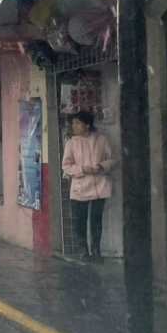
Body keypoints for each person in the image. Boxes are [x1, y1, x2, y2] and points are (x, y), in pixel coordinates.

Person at [61, 111, 117, 263]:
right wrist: (82, 169)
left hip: (100, 185)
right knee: (80, 221)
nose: (74, 126)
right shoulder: (71, 143)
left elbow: (112, 159)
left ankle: (96, 251)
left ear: (87, 125)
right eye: (73, 123)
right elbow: (66, 166)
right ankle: (83, 251)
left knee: (96, 220)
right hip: (80, 186)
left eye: (77, 123)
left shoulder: (102, 140)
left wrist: (101, 166)